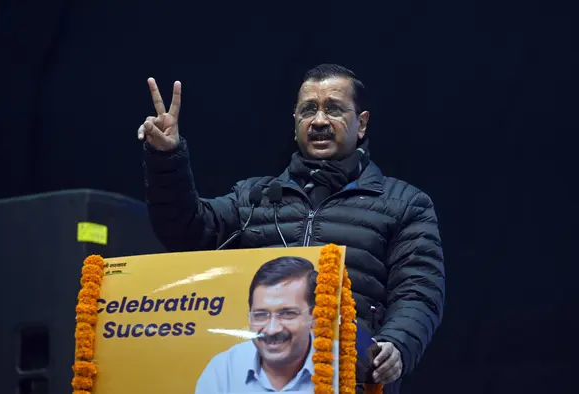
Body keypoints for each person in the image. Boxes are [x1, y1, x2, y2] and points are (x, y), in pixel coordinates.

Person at [138, 64, 446, 393]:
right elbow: (185, 231)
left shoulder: (404, 203)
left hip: (350, 379)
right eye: (308, 109)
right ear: (295, 121)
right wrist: (167, 159)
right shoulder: (254, 197)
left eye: (335, 109)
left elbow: (419, 293)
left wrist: (397, 343)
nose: (319, 121)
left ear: (363, 124)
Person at [194, 256, 320, 393]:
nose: (272, 330)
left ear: (314, 317)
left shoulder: (342, 368)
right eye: (260, 315)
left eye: (287, 314)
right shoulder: (223, 369)